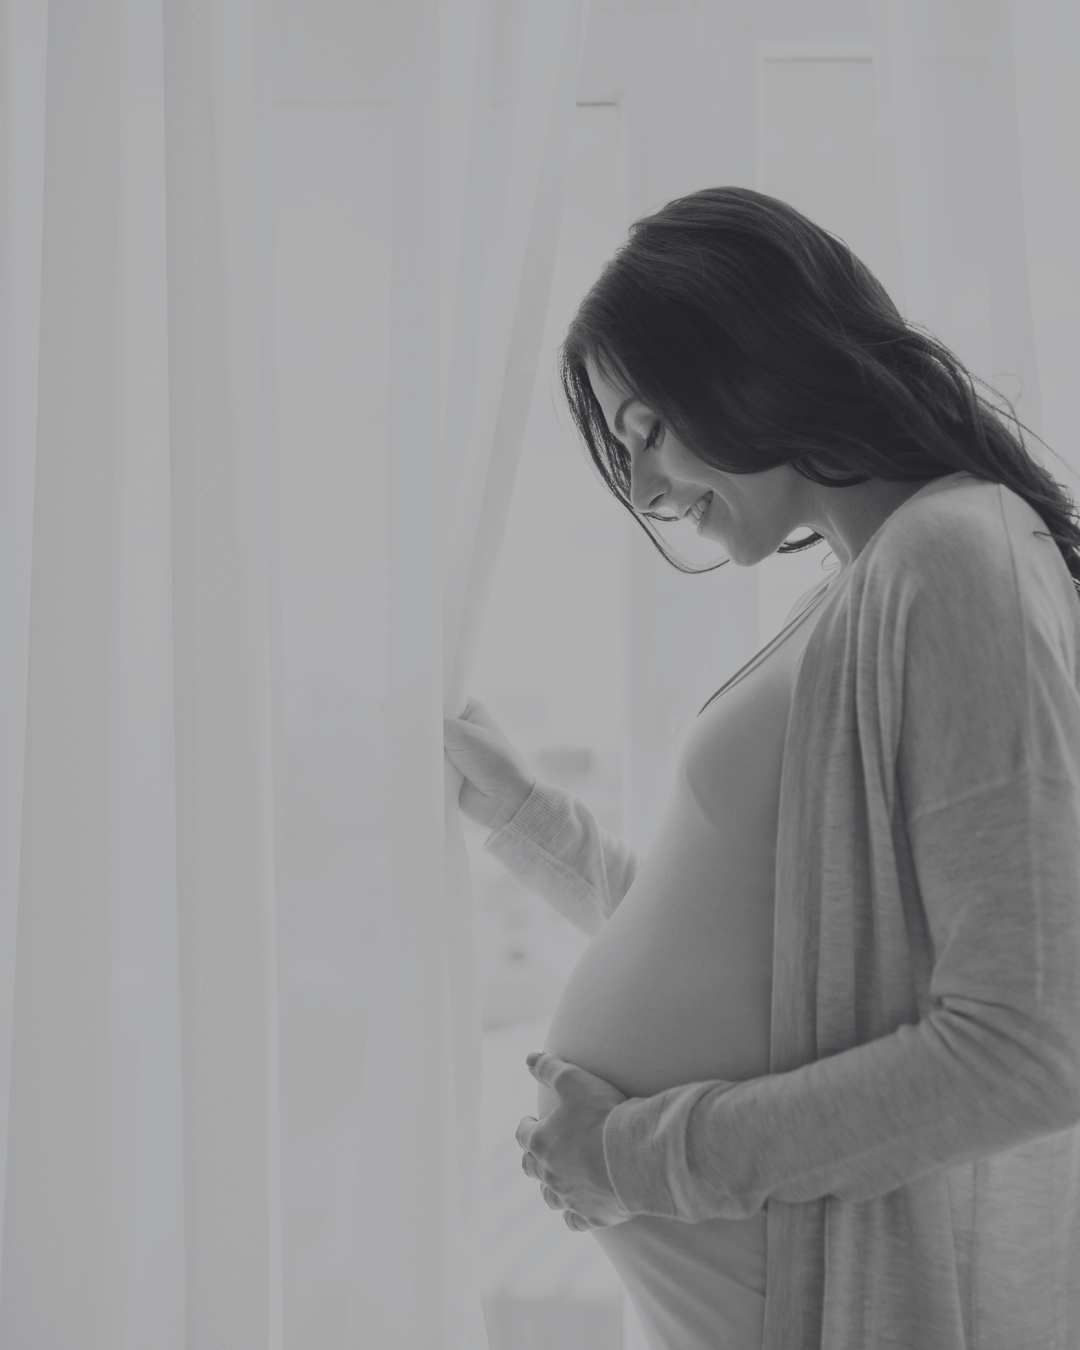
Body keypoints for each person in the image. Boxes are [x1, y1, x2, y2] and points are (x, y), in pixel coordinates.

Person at [442, 186, 1080, 1350]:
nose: (643, 493)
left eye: (644, 432)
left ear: (750, 359)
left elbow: (1028, 1053)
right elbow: (766, 964)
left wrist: (632, 1157)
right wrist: (522, 813)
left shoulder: (957, 560)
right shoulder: (867, 582)